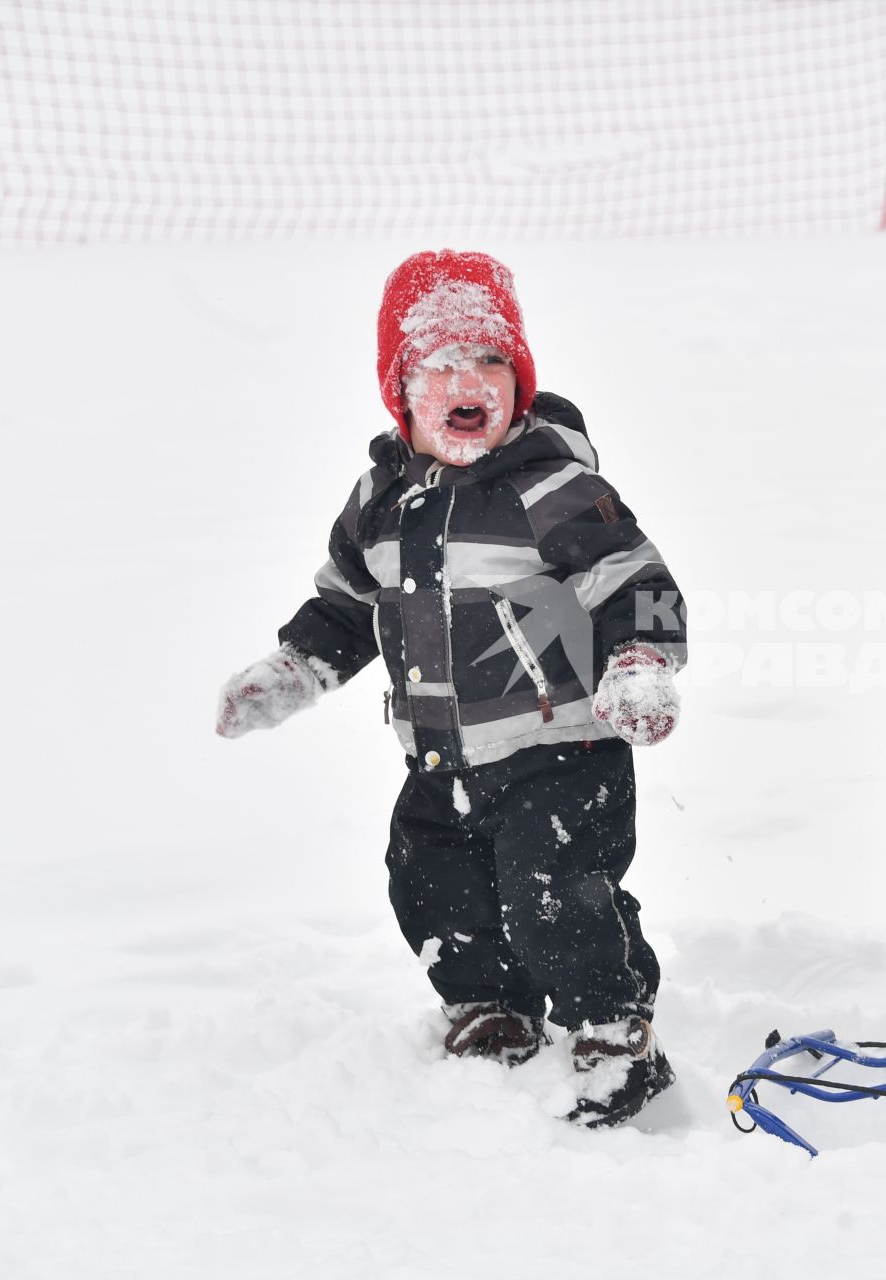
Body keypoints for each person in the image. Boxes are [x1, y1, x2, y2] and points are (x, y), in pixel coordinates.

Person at [215, 249, 687, 1125]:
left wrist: (639, 662)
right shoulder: (379, 500)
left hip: (560, 745)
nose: (468, 382)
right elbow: (349, 601)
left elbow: (635, 582)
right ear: (400, 391)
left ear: (519, 380)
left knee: (553, 893)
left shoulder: (552, 487)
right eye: (440, 366)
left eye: (490, 363)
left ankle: (612, 1028)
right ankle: (492, 1009)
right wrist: (297, 668)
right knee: (429, 879)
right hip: (441, 754)